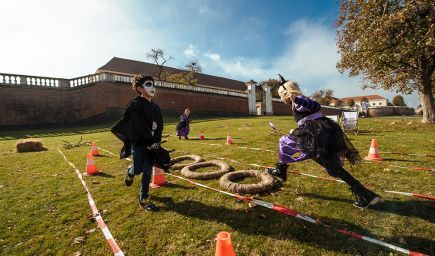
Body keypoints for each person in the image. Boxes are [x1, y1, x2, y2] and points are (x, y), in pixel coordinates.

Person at [267, 74, 381, 209]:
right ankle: (366, 194)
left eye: (281, 95)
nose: (280, 99)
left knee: (285, 142)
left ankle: (366, 195)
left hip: (316, 135)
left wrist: (296, 98)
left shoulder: (299, 100)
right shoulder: (297, 102)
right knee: (332, 167)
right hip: (320, 132)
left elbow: (315, 106)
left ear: (288, 93)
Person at [111, 74, 168, 211]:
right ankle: (130, 172)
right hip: (139, 143)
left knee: (148, 170)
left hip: (151, 144)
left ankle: (144, 198)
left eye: (153, 84)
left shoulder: (156, 108)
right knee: (138, 169)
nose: (152, 87)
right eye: (148, 85)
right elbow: (136, 125)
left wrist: (156, 142)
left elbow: (159, 126)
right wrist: (148, 140)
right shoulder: (136, 105)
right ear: (139, 88)